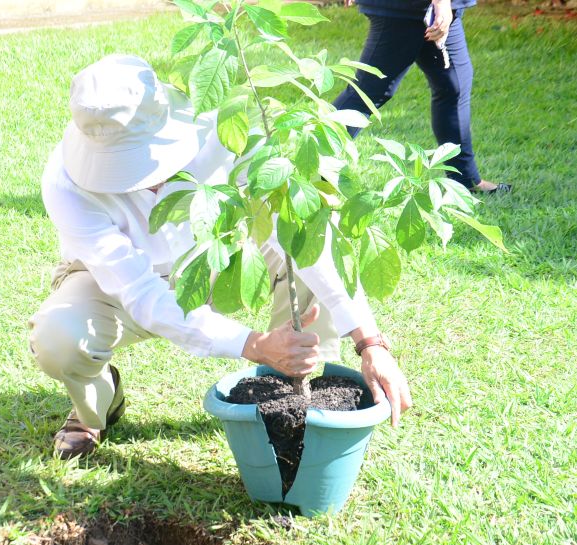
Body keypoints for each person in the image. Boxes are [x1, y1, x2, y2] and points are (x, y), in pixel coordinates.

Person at [29, 55, 412, 459]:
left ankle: (296, 384)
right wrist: (251, 344)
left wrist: (369, 341)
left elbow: (300, 229)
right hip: (112, 287)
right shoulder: (66, 181)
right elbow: (139, 291)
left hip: (222, 255)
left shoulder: (222, 129)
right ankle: (96, 406)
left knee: (307, 236)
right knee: (59, 338)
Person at [334, 0, 510, 194]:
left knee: (453, 85)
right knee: (367, 92)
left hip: (425, 8)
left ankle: (465, 180)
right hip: (411, 8)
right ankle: (312, 169)